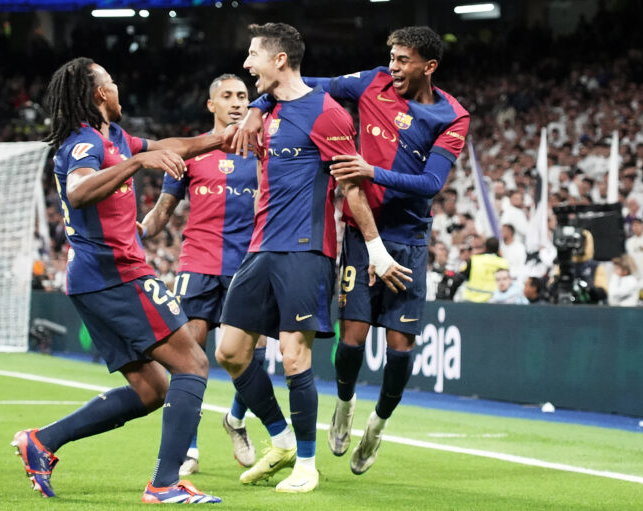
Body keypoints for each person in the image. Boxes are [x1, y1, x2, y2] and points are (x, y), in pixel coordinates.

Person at [235, 25, 469, 475]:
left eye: (404, 60)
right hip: (363, 236)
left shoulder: (452, 115)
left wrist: (370, 170)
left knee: (400, 348)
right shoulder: (372, 81)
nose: (395, 67)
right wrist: (259, 106)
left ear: (429, 66)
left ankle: (378, 426)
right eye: (393, 57)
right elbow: (305, 86)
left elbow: (432, 183)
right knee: (353, 339)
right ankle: (344, 405)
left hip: (410, 239)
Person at [11, 57, 233, 504]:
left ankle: (42, 442)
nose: (117, 88)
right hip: (114, 275)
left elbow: (169, 145)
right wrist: (137, 164)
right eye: (110, 83)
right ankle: (165, 483)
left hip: (99, 278)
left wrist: (217, 138)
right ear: (98, 95)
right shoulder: (82, 144)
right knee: (192, 364)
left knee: (152, 389)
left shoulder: (115, 138)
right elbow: (78, 191)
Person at [216, 22, 408, 493]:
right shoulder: (268, 109)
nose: (246, 64)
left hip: (307, 250)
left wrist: (376, 249)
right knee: (230, 352)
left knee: (294, 354)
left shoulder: (327, 114)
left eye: (253, 54)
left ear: (279, 59)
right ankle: (280, 438)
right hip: (260, 247)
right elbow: (264, 104)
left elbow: (351, 187)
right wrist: (258, 108)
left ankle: (306, 463)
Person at [138, 73, 264, 476]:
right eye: (227, 96)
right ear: (211, 104)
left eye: (243, 96)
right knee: (190, 356)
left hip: (247, 265)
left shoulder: (263, 151)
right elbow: (163, 210)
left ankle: (236, 420)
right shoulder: (190, 153)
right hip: (198, 264)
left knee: (251, 358)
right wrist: (136, 230)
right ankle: (189, 447)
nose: (237, 103)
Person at [457, 237, 509, 303]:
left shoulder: (474, 260)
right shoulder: (504, 263)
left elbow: (459, 278)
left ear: (485, 247)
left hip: (471, 300)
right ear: (498, 249)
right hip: (494, 301)